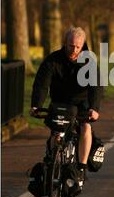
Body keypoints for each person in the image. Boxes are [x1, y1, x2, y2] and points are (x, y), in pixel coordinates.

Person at [30, 26, 102, 183]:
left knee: (85, 127)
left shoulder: (89, 62)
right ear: (65, 43)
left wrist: (94, 108)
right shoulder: (52, 60)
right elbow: (41, 84)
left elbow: (96, 87)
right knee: (56, 131)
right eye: (71, 45)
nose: (74, 49)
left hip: (82, 101)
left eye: (78, 46)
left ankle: (81, 167)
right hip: (60, 100)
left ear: (83, 45)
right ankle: (51, 159)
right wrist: (36, 105)